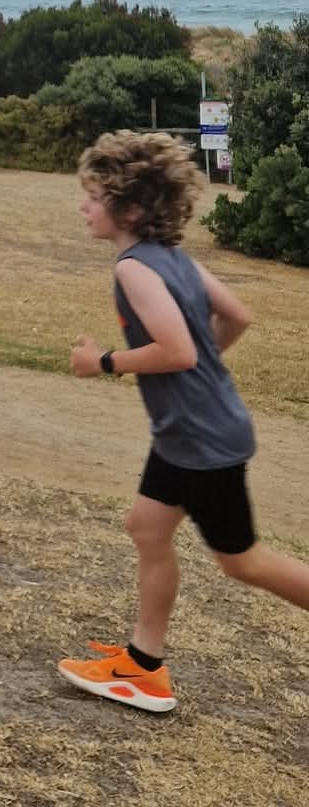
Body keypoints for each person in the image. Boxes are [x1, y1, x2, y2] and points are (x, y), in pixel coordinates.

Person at [59, 129, 309, 717]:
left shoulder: (134, 269)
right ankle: (143, 666)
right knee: (147, 527)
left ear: (133, 208)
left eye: (94, 196)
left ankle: (144, 667)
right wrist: (202, 379)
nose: (84, 206)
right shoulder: (172, 257)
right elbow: (236, 316)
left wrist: (102, 363)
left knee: (242, 561)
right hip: (190, 432)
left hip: (202, 440)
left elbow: (177, 351)